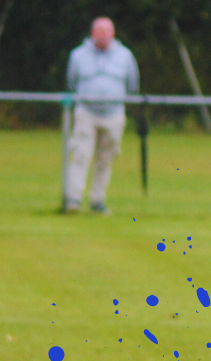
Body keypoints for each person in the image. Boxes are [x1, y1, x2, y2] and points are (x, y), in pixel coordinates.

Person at [63, 17, 138, 215]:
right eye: (100, 31)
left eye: (107, 31)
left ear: (113, 33)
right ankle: (74, 199)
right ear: (92, 33)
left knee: (105, 159)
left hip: (114, 114)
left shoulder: (125, 56)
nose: (103, 35)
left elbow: (132, 85)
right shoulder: (78, 55)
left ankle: (97, 200)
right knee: (81, 155)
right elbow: (71, 82)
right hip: (86, 112)